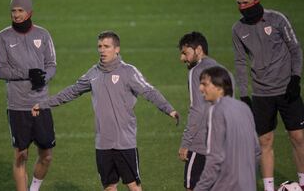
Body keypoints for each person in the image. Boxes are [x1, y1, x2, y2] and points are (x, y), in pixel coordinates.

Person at [32, 30, 179, 191]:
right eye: (99, 46)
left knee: (134, 186)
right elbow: (72, 91)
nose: (102, 50)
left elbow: (149, 91)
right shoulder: (93, 73)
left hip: (124, 142)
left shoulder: (128, 72)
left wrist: (169, 109)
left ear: (117, 49)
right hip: (103, 143)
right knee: (109, 187)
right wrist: (45, 103)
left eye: (106, 46)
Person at [232, 0, 304, 190]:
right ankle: (269, 187)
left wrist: (295, 78)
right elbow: (239, 63)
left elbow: (295, 49)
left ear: (256, 1)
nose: (241, 7)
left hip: (287, 90)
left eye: (245, 3)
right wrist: (245, 95)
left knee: (298, 137)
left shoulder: (278, 19)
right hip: (262, 94)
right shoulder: (238, 29)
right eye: (238, 3)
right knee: (265, 140)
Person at [0, 0, 57, 191]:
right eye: (13, 10)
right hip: (17, 105)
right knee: (21, 155)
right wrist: (27, 73)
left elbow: (52, 64)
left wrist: (43, 77)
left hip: (41, 104)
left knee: (46, 155)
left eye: (20, 10)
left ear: (29, 12)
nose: (16, 14)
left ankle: (34, 188)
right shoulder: (3, 37)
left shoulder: (43, 35)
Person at [193, 66, 260, 191]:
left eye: (205, 84)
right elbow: (256, 150)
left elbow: (215, 158)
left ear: (219, 87)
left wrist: (200, 189)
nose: (200, 88)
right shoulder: (244, 108)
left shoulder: (216, 110)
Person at [176, 32, 219, 191]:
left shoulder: (197, 71)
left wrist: (186, 143)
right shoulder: (221, 69)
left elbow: (197, 109)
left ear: (198, 50)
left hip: (201, 143)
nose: (182, 58)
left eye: (185, 53)